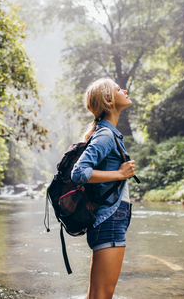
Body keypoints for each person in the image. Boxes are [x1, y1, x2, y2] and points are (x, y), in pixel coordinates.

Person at [71, 77, 136, 299]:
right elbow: (79, 173)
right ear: (108, 100)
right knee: (102, 295)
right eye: (119, 89)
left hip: (109, 218)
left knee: (96, 295)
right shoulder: (106, 134)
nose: (125, 90)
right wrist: (119, 174)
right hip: (110, 219)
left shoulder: (107, 133)